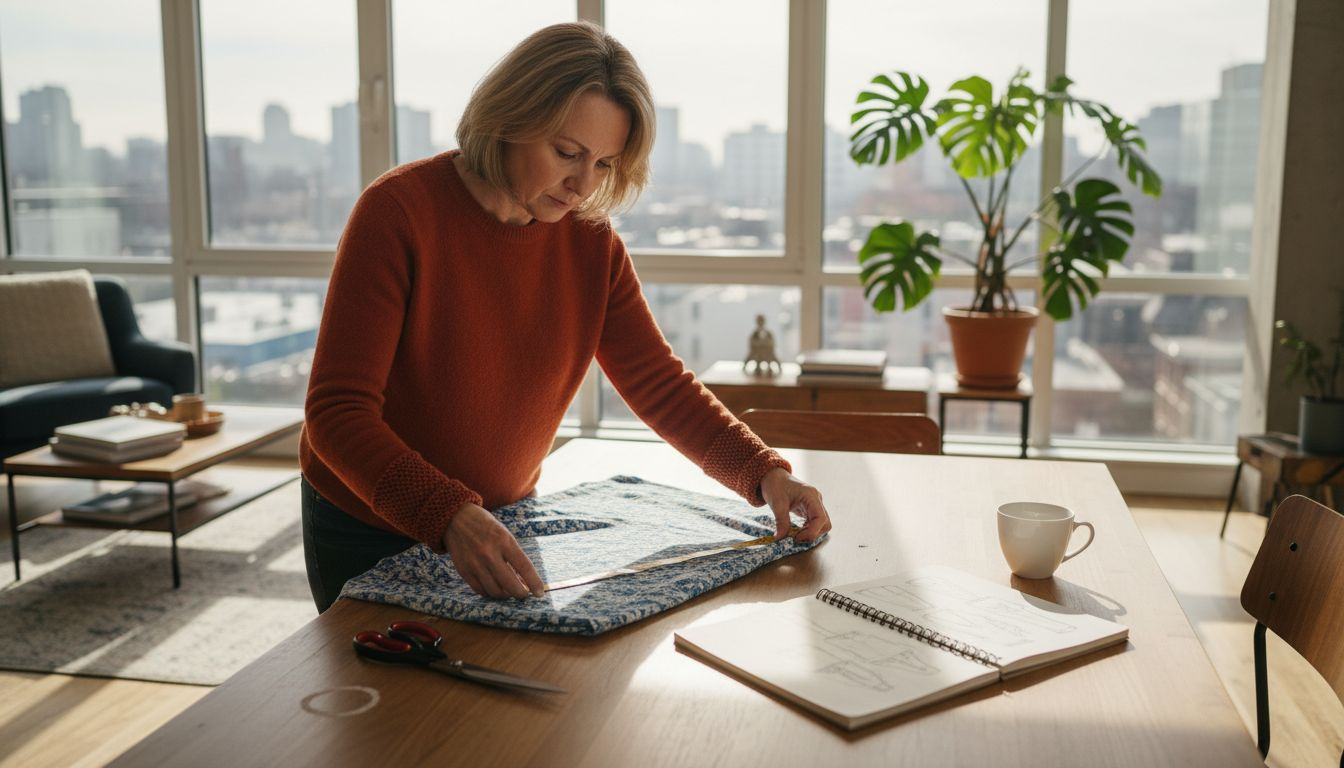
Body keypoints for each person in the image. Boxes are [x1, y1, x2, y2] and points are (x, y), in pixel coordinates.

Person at [299, 21, 831, 613]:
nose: (582, 185)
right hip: (366, 523)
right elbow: (335, 413)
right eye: (567, 153)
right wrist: (447, 514)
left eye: (604, 164)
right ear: (508, 120)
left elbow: (659, 384)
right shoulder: (397, 213)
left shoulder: (591, 245)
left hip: (504, 520)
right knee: (391, 704)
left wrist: (763, 473)